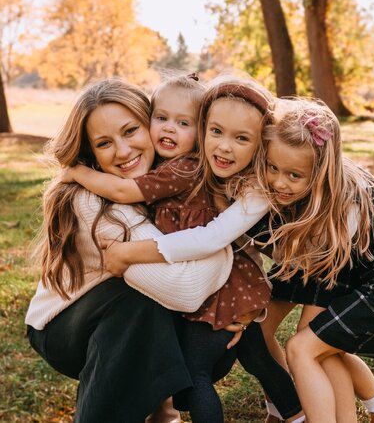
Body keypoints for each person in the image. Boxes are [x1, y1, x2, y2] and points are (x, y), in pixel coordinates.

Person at [64, 74, 303, 423]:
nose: (169, 130)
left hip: (219, 289)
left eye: (184, 123)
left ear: (199, 128)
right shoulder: (182, 167)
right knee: (258, 358)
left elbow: (122, 191)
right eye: (161, 118)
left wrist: (76, 172)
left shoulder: (183, 168)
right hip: (231, 284)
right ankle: (296, 415)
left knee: (195, 378)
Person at [25, 77, 238, 423]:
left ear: (151, 123)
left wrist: (232, 298)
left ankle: (161, 411)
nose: (123, 152)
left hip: (127, 317)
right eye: (104, 143)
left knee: (203, 323)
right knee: (138, 300)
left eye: (130, 131)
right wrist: (223, 246)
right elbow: (186, 290)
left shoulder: (168, 179)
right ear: (89, 152)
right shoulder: (91, 204)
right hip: (65, 325)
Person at [258, 97, 374, 423]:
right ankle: (290, 409)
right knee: (271, 328)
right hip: (332, 261)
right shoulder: (308, 191)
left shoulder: (343, 205)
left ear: (320, 171)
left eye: (293, 175)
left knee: (306, 347)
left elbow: (332, 269)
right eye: (273, 168)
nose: (279, 183)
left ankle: (342, 415)